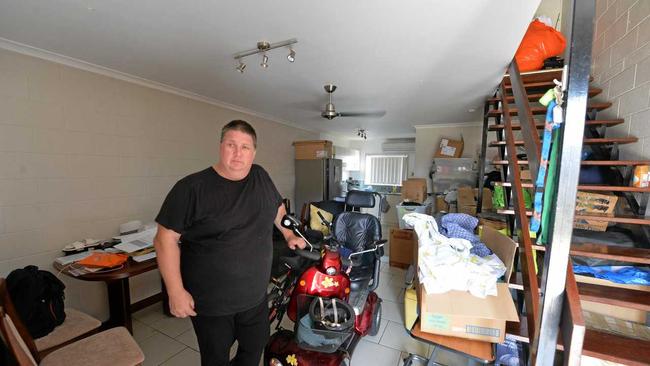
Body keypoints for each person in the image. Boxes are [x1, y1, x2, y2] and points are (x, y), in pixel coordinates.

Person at [153, 120, 306, 366]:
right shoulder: (192, 188)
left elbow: (277, 208)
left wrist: (288, 234)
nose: (238, 153)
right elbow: (164, 240)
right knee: (215, 359)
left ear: (253, 152)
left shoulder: (260, 176)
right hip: (212, 302)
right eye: (231, 145)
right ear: (220, 146)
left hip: (255, 295)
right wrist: (175, 290)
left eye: (245, 147)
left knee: (255, 346)